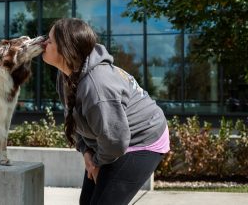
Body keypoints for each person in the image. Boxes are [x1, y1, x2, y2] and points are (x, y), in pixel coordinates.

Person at [41, 18, 170, 205]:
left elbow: (115, 141)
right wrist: (87, 153)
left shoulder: (96, 86)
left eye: (50, 40)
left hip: (142, 139)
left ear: (66, 49)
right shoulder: (66, 76)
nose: (44, 43)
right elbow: (77, 122)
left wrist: (97, 162)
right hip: (111, 141)